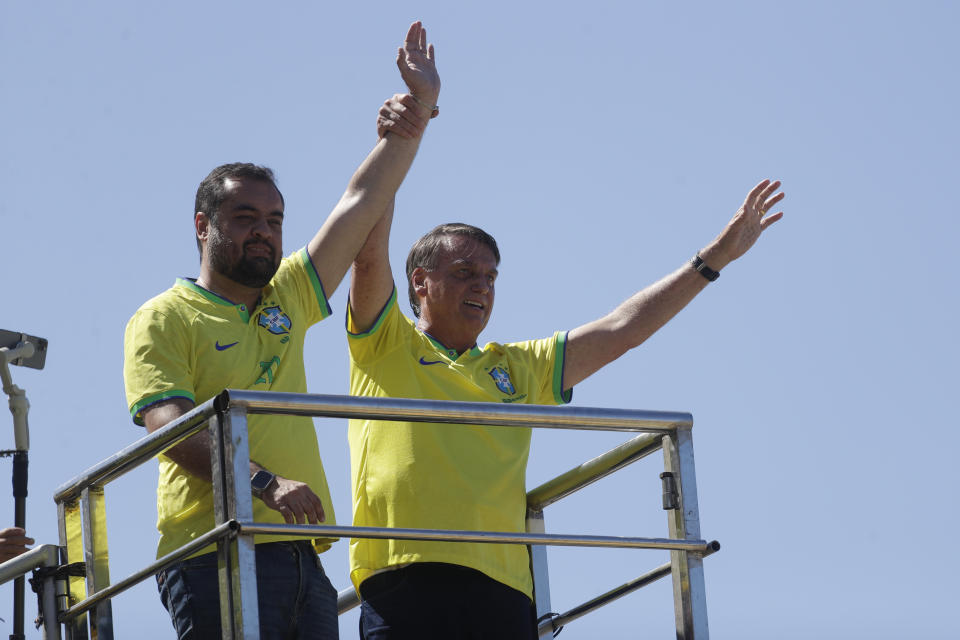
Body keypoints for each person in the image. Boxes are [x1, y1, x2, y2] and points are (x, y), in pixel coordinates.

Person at [346, 180, 785, 639]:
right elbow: (368, 253)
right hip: (402, 577)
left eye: (491, 277)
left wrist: (715, 257)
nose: (482, 285)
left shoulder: (517, 366)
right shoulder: (385, 343)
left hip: (504, 587)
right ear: (420, 280)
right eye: (464, 272)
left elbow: (622, 329)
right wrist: (399, 142)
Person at [122, 21, 439, 640]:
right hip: (214, 553)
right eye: (245, 218)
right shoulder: (163, 316)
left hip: (301, 557)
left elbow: (359, 203)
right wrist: (265, 483)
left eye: (274, 219)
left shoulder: (288, 294)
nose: (264, 231)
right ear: (202, 226)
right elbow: (170, 433)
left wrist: (416, 116)